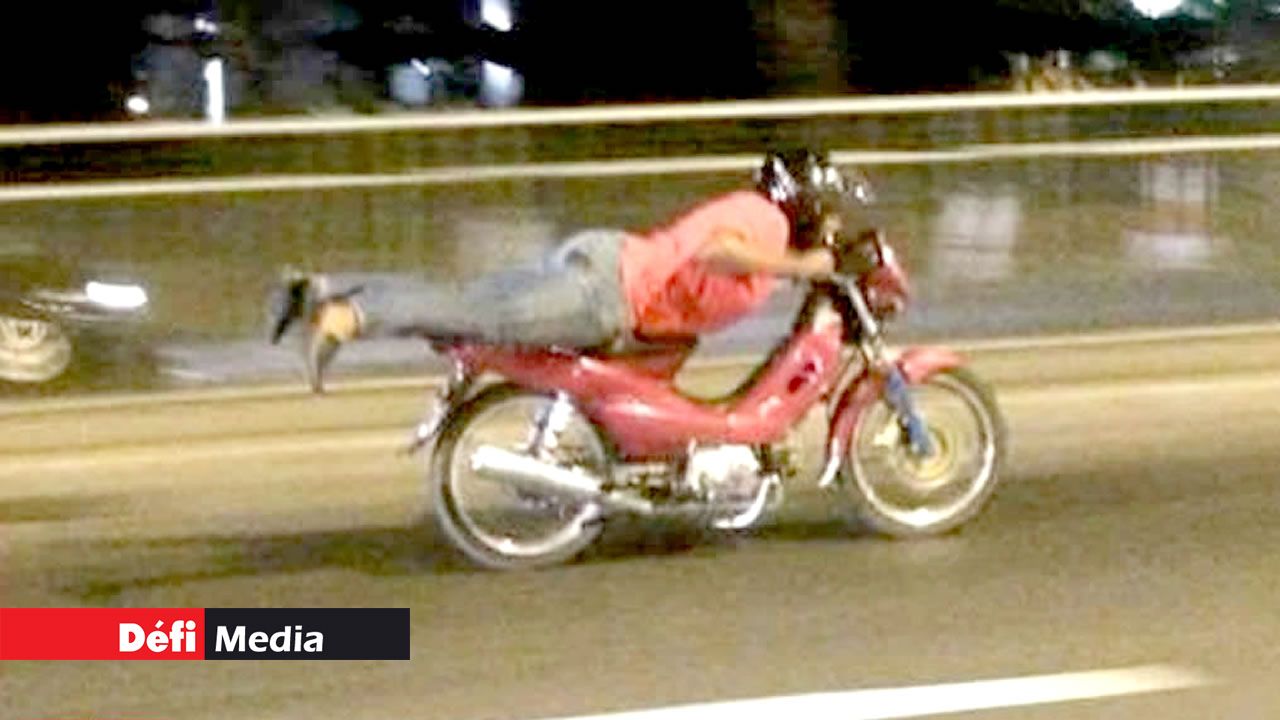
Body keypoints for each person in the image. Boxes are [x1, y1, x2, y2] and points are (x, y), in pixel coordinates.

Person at [270, 148, 870, 392]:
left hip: (605, 277)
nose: (832, 225)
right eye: (829, 211)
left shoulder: (766, 232)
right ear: (805, 200)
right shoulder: (764, 218)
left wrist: (808, 271)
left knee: (467, 301)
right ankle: (346, 314)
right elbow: (714, 249)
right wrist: (799, 261)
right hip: (605, 290)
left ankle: (322, 291)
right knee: (474, 313)